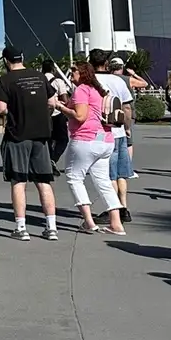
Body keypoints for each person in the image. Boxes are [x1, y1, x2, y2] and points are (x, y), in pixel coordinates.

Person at [0, 49, 59, 241]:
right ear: (22, 58)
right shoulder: (39, 76)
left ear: (6, 60)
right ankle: (51, 227)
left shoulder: (6, 80)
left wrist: (13, 111)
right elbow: (52, 102)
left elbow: (1, 108)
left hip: (18, 135)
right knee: (44, 181)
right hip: (41, 135)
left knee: (19, 181)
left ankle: (21, 228)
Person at [54, 62, 125, 234]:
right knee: (103, 181)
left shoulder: (82, 90)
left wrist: (60, 107)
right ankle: (116, 223)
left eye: (74, 73)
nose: (71, 76)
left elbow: (80, 116)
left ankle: (88, 221)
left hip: (85, 139)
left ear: (83, 73)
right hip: (106, 139)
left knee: (73, 177)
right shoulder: (99, 90)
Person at [92, 51, 133, 222]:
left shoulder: (91, 82)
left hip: (102, 132)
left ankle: (113, 209)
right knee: (121, 173)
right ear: (107, 63)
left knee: (109, 174)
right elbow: (127, 108)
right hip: (119, 131)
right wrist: (127, 126)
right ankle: (123, 207)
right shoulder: (118, 81)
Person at [41, 59, 71, 169]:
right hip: (58, 113)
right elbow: (65, 98)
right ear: (53, 69)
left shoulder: (39, 80)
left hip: (43, 114)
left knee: (47, 139)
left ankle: (48, 159)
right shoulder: (58, 81)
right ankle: (53, 159)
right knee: (63, 139)